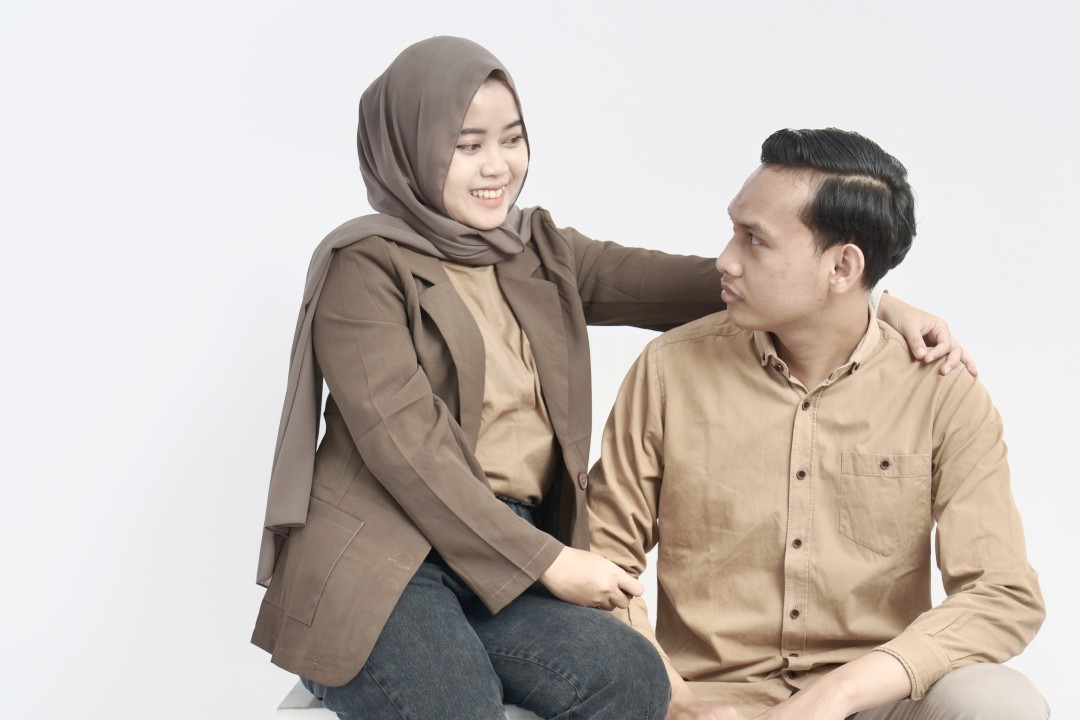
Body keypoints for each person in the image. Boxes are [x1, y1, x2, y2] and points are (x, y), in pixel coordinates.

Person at [251, 36, 970, 720]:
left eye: (511, 139)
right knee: (456, 702)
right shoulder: (363, 266)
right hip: (388, 560)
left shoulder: (536, 250)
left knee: (627, 673)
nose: (497, 166)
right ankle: (351, 659)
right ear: (406, 147)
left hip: (502, 565)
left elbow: (728, 281)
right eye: (467, 146)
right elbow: (412, 456)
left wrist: (867, 299)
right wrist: (550, 561)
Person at [588, 128, 1047, 720]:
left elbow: (1001, 594)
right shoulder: (668, 371)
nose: (725, 259)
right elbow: (604, 557)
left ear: (843, 266)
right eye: (733, 231)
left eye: (755, 240)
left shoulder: (940, 391)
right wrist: (677, 701)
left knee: (1000, 703)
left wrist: (836, 695)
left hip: (876, 700)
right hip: (707, 702)